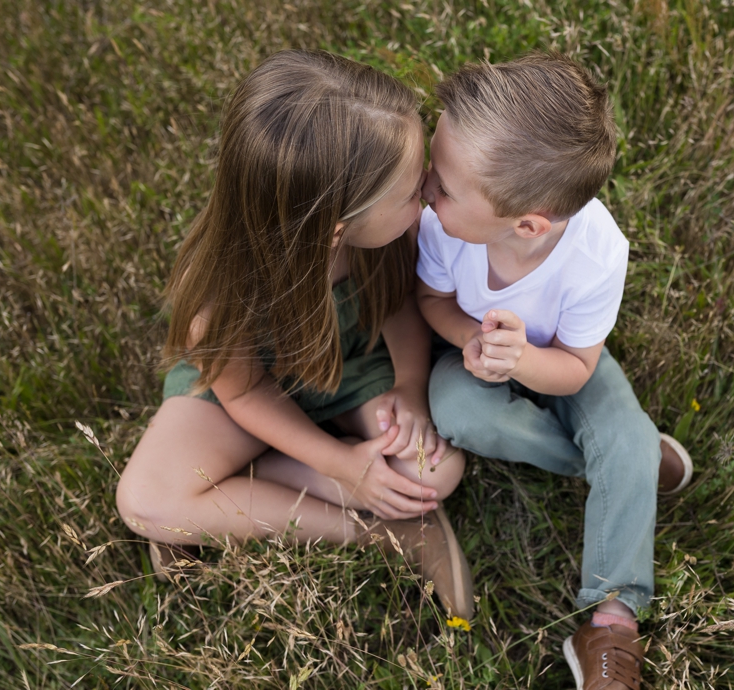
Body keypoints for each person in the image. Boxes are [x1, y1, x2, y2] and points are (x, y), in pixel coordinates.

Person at [116, 49, 475, 618]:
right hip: (246, 394)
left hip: (351, 365)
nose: (429, 190)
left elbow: (398, 305)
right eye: (413, 191)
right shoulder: (217, 296)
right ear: (336, 228)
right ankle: (389, 536)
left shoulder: (393, 231)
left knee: (435, 472)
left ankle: (229, 495)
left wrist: (409, 388)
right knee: (145, 502)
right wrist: (340, 464)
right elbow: (245, 394)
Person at [415, 54, 694, 688]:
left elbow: (576, 368)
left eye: (445, 186)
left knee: (618, 427)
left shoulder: (598, 255)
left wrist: (524, 359)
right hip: (474, 356)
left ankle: (612, 621)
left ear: (527, 224)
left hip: (565, 357)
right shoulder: (440, 223)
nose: (425, 187)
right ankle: (625, 469)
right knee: (456, 407)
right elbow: (431, 300)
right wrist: (471, 340)